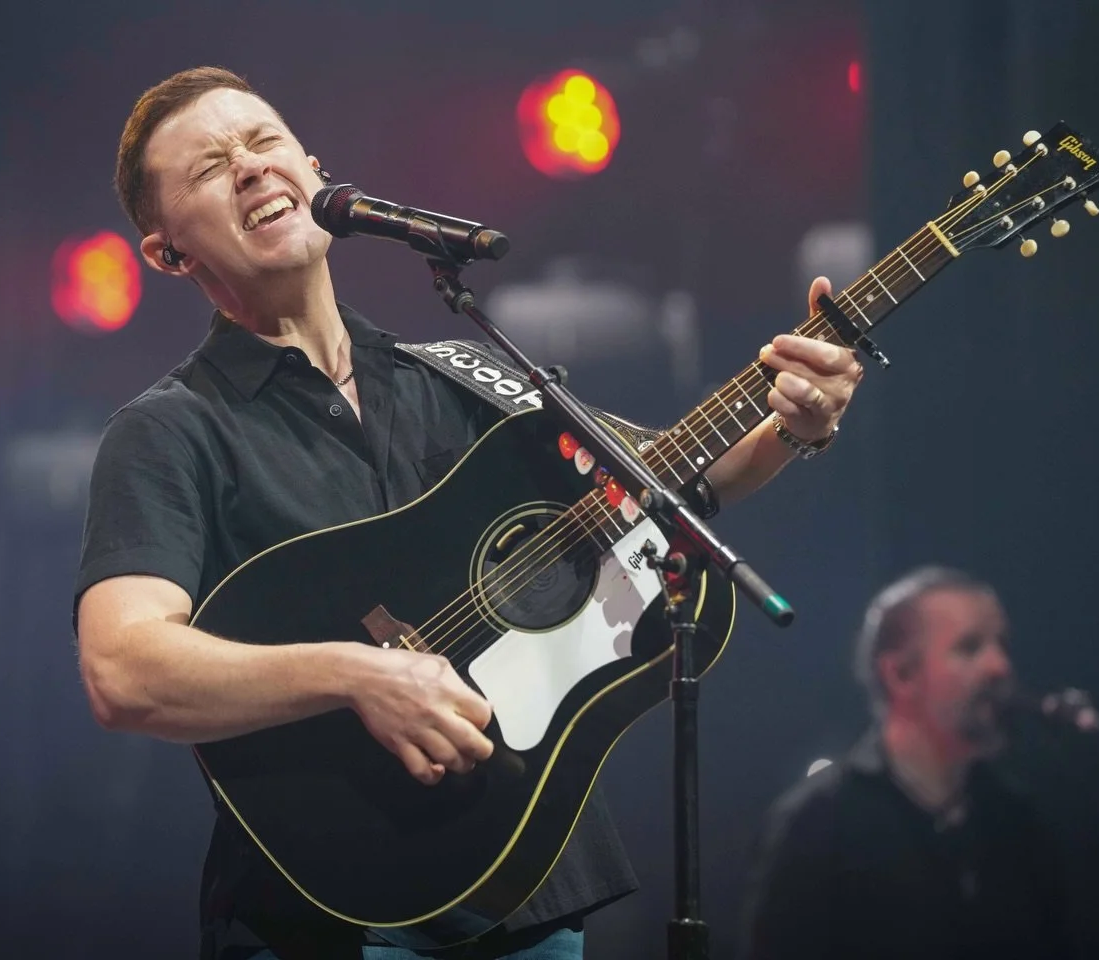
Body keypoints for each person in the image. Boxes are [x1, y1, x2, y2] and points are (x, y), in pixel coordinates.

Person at [74, 66, 864, 960]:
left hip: (520, 893)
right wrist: (356, 675)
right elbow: (123, 669)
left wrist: (793, 424)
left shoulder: (460, 369)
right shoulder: (171, 429)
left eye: (262, 143)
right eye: (211, 167)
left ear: (313, 169)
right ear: (168, 251)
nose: (251, 168)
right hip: (322, 918)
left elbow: (669, 471)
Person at [740, 567, 1066, 960]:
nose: (1000, 666)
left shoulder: (1015, 816)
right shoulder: (818, 823)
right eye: (970, 647)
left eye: (1002, 644)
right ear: (900, 674)